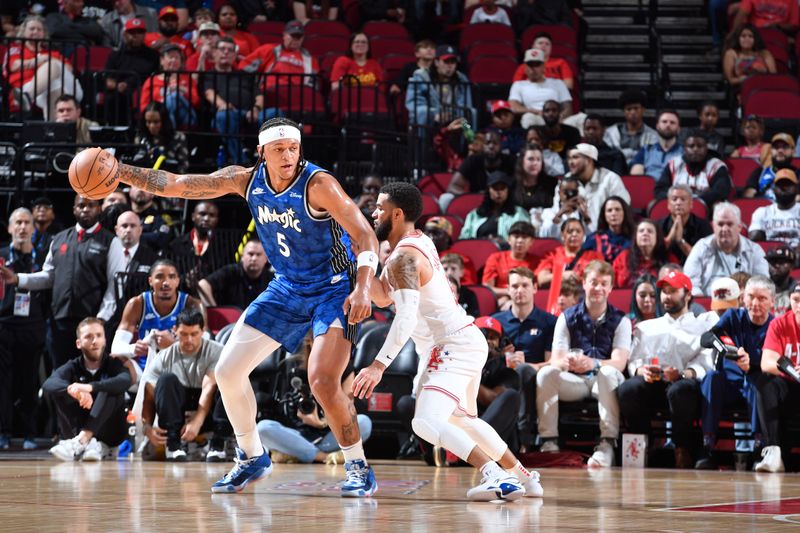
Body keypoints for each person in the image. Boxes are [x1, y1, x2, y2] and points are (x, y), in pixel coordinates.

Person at [114, 117, 380, 495]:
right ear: (262, 152)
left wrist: (364, 287)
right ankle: (252, 456)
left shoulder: (319, 185)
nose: (288, 155)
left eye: (293, 148)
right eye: (279, 149)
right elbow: (177, 184)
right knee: (227, 371)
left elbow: (365, 234)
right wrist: (121, 171)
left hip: (333, 290)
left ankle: (358, 466)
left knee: (322, 381)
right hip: (286, 288)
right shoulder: (246, 179)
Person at [355, 181, 542, 500]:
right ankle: (524, 477)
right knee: (463, 421)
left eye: (380, 208)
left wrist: (376, 366)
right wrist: (357, 264)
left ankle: (494, 475)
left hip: (450, 345)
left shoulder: (404, 259)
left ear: (397, 214)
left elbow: (405, 317)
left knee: (425, 422)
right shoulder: (413, 245)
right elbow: (384, 298)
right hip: (459, 340)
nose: (374, 213)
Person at [0, 196, 117, 368]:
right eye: (81, 205)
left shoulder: (111, 241)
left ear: (99, 208)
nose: (85, 209)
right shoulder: (59, 239)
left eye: (91, 205)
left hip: (91, 323)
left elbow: (114, 288)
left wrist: (99, 320)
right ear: (74, 209)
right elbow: (48, 277)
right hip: (59, 322)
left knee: (90, 377)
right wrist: (18, 279)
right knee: (60, 377)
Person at [535, 260, 631, 467]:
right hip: (575, 380)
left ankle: (607, 444)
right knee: (545, 374)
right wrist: (568, 361)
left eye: (604, 283)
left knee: (606, 372)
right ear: (584, 284)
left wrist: (593, 363)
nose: (598, 288)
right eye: (594, 282)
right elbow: (557, 360)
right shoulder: (567, 317)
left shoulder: (621, 320)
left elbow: (619, 363)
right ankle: (549, 442)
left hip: (604, 380)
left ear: (611, 288)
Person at [620, 271, 717, 468]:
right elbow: (633, 362)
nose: (666, 296)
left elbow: (705, 365)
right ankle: (643, 444)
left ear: (688, 294)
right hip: (653, 383)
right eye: (664, 291)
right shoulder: (646, 327)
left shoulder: (702, 326)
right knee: (628, 388)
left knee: (680, 390)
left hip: (684, 385)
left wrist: (682, 374)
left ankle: (682, 449)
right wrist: (642, 371)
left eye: (673, 291)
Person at [696, 276, 775, 469]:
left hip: (754, 385)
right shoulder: (733, 316)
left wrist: (752, 365)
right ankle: (707, 445)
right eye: (751, 297)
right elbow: (707, 338)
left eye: (762, 298)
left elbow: (773, 362)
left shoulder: (774, 325)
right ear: (742, 298)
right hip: (729, 386)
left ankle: (759, 447)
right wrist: (726, 347)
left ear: (772, 301)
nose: (755, 303)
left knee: (759, 382)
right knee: (711, 378)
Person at [257, 333, 372, 465]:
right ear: (310, 342)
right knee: (263, 428)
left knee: (364, 422)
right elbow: (283, 408)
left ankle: (299, 453)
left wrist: (322, 422)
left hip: (332, 434)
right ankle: (325, 457)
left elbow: (348, 411)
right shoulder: (292, 365)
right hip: (296, 434)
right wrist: (298, 413)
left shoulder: (345, 367)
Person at [140, 308, 231, 461]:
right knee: (166, 379)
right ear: (175, 331)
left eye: (194, 334)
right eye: (184, 334)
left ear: (203, 331)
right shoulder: (163, 357)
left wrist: (197, 421)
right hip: (178, 415)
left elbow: (209, 388)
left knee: (228, 382)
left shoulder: (217, 351)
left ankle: (218, 443)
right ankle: (173, 444)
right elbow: (149, 396)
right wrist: (146, 427)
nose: (189, 339)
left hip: (208, 412)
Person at [44, 318, 132, 462]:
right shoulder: (72, 366)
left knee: (110, 388)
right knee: (62, 391)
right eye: (88, 336)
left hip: (110, 434)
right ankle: (85, 442)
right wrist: (74, 391)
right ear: (79, 343)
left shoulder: (113, 364)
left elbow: (125, 381)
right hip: (75, 428)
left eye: (98, 335)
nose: (94, 341)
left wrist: (89, 387)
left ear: (105, 340)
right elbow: (49, 383)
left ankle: (82, 440)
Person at [491, 267, 557, 449]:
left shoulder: (549, 321)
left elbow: (552, 362)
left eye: (525, 285)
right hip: (501, 376)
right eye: (515, 286)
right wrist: (501, 356)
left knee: (523, 370)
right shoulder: (495, 321)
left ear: (535, 288)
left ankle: (524, 437)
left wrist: (528, 364)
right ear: (508, 289)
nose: (519, 290)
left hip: (533, 376)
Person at [0, 208, 48, 450]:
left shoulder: (42, 258)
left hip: (32, 327)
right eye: (17, 222)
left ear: (33, 228)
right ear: (9, 228)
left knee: (29, 382)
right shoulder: (0, 257)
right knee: (3, 383)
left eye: (26, 222)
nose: (22, 227)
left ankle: (30, 433)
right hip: (4, 326)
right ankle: (4, 433)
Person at [112, 258, 205, 372]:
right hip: (145, 370)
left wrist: (174, 345)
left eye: (171, 277)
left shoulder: (192, 304)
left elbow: (205, 344)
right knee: (119, 363)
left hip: (181, 368)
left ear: (177, 281)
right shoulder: (137, 304)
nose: (166, 282)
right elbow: (116, 347)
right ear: (150, 281)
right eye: (160, 277)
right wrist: (134, 349)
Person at [755, 282, 800, 472]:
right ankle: (773, 451)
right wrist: (793, 371)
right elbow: (766, 362)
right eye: (796, 300)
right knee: (765, 382)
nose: (799, 305)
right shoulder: (780, 324)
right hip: (790, 385)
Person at [3, 15, 83, 120]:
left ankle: (27, 96)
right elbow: (14, 66)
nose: (35, 32)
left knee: (53, 65)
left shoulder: (52, 53)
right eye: (32, 29)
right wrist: (38, 61)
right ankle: (52, 131)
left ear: (44, 33)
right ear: (23, 32)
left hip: (69, 90)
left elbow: (68, 69)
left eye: (39, 29)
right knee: (55, 85)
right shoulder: (16, 49)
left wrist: (49, 60)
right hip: (29, 87)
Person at [684, 202, 770, 296]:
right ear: (713, 226)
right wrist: (703, 303)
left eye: (729, 224)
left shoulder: (755, 251)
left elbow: (762, 285)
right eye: (720, 224)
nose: (724, 229)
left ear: (739, 227)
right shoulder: (701, 247)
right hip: (708, 304)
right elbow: (690, 283)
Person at [202, 37, 263, 165]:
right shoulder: (209, 74)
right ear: (214, 52)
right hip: (225, 114)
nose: (226, 52)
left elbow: (259, 96)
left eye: (230, 50)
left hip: (250, 113)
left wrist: (256, 109)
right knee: (225, 116)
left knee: (275, 114)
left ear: (235, 55)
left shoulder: (245, 75)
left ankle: (269, 162)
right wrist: (222, 104)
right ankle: (241, 162)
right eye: (222, 49)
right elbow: (209, 93)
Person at [104, 18, 161, 126]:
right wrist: (118, 86)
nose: (136, 35)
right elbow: (107, 78)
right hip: (120, 92)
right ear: (125, 35)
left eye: (139, 32)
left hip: (145, 90)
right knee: (112, 97)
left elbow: (158, 77)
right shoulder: (116, 55)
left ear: (144, 34)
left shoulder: (153, 56)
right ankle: (114, 131)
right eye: (132, 32)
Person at [654, 131, 732, 208]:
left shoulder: (716, 166)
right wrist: (678, 199)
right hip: (677, 206)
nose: (695, 149)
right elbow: (660, 189)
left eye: (700, 146)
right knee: (654, 204)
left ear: (706, 148)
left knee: (718, 205)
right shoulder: (674, 164)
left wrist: (696, 201)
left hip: (705, 206)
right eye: (691, 146)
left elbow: (721, 192)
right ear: (684, 148)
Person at [405, 44, 476, 129]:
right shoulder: (421, 76)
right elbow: (415, 104)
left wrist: (455, 116)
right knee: (422, 113)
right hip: (431, 120)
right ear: (436, 62)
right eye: (446, 62)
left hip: (454, 118)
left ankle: (470, 138)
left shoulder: (461, 79)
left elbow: (465, 104)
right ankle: (423, 142)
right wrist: (434, 115)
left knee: (471, 113)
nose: (450, 66)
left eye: (453, 62)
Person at [442, 130, 516, 211]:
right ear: (483, 145)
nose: (491, 146)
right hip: (476, 200)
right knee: (446, 198)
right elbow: (453, 187)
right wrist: (473, 196)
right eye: (488, 143)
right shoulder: (473, 160)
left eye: (495, 143)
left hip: (504, 200)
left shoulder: (510, 161)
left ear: (501, 145)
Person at [563, 143, 631, 232]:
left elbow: (622, 212)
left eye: (575, 157)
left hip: (606, 236)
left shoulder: (611, 179)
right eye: (569, 158)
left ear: (589, 160)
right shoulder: (566, 181)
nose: (570, 162)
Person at [239, 20, 320, 91]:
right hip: (270, 93)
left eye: (298, 37)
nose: (295, 39)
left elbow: (313, 86)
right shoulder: (268, 49)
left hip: (297, 96)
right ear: (284, 35)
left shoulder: (311, 60)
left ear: (303, 38)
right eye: (292, 36)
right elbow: (244, 68)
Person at [198, 239, 273, 309]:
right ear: (242, 256)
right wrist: (216, 312)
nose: (254, 258)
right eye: (250, 254)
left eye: (258, 255)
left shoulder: (273, 280)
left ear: (266, 259)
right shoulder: (230, 272)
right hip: (231, 321)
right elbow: (203, 284)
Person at [482, 221, 540, 310]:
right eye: (516, 237)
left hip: (529, 300)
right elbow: (487, 288)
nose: (520, 241)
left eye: (524, 237)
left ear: (532, 241)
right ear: (509, 239)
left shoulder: (538, 261)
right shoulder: (496, 258)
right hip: (501, 301)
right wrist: (509, 292)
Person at [508, 48, 572, 129]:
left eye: (537, 65)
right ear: (525, 67)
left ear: (543, 66)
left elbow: (568, 106)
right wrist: (534, 111)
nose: (533, 69)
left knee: (582, 118)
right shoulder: (518, 85)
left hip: (559, 119)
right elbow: (514, 107)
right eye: (530, 65)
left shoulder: (558, 83)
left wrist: (559, 117)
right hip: (536, 117)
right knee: (528, 118)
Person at [459, 171, 530, 242]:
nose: (498, 192)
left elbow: (525, 238)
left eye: (502, 188)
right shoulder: (474, 215)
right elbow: (464, 240)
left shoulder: (519, 213)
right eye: (495, 188)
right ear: (488, 190)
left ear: (508, 191)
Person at [140, 44, 199, 129]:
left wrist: (181, 89)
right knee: (169, 101)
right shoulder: (152, 81)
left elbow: (196, 101)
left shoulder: (188, 79)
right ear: (162, 60)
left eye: (177, 58)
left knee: (173, 96)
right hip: (158, 118)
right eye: (170, 57)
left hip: (186, 116)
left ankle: (169, 133)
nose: (174, 60)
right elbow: (143, 106)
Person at [535, 218, 603, 288]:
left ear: (583, 235)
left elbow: (603, 279)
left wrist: (581, 280)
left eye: (578, 231)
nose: (574, 234)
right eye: (570, 231)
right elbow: (541, 279)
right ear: (562, 235)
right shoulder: (553, 255)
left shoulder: (595, 256)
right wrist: (563, 276)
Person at [612, 219, 676, 289]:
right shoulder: (623, 257)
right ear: (635, 237)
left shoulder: (669, 259)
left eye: (650, 231)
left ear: (657, 237)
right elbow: (611, 284)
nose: (645, 233)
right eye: (641, 231)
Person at [657, 184, 713, 264]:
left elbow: (704, 259)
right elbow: (655, 256)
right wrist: (670, 238)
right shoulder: (659, 225)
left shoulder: (703, 226)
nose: (678, 203)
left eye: (683, 199)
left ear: (691, 204)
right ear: (668, 205)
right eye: (674, 199)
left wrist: (680, 241)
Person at [604, 89, 658, 165]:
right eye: (628, 109)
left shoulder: (653, 135)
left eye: (636, 108)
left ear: (643, 110)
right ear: (624, 112)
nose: (632, 112)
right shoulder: (610, 133)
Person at [749, 169, 800, 249]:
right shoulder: (762, 212)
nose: (784, 188)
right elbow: (753, 238)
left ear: (796, 188)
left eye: (788, 184)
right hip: (770, 256)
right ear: (773, 189)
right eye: (780, 185)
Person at [134, 101, 189, 174]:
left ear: (164, 121)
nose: (152, 126)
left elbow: (184, 166)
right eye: (148, 122)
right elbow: (135, 163)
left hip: (170, 180)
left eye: (156, 122)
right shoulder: (141, 137)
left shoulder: (178, 137)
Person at [743, 133, 798, 200]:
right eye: (776, 147)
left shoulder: (798, 174)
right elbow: (748, 198)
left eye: (785, 147)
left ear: (793, 150)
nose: (780, 151)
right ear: (771, 150)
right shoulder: (760, 173)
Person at [581, 196, 635, 263]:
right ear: (604, 215)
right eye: (609, 210)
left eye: (617, 209)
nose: (613, 213)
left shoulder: (635, 238)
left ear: (625, 212)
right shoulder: (594, 239)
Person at [630, 109, 683, 179]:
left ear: (679, 129)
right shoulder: (646, 150)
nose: (668, 125)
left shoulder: (684, 152)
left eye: (672, 122)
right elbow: (636, 178)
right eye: (664, 122)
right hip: (649, 188)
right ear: (657, 126)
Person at [722, 24, 777, 88]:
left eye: (750, 36)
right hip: (741, 87)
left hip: (763, 86)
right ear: (738, 38)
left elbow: (774, 76)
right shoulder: (731, 53)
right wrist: (746, 79)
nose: (747, 39)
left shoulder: (764, 53)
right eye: (743, 36)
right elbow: (730, 80)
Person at [128, 184, 175, 252]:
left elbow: (162, 239)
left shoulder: (162, 218)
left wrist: (130, 236)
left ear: (153, 194)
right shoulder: (121, 215)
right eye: (137, 185)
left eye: (146, 186)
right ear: (130, 190)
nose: (141, 189)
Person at [731, 0, 798, 39]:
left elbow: (794, 25)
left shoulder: (792, 1)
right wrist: (734, 35)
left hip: (777, 35)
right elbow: (741, 15)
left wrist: (778, 26)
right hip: (755, 35)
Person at [767, 247, 796, 315]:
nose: (776, 265)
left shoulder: (797, 292)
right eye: (772, 262)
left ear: (791, 266)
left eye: (781, 262)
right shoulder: (760, 289)